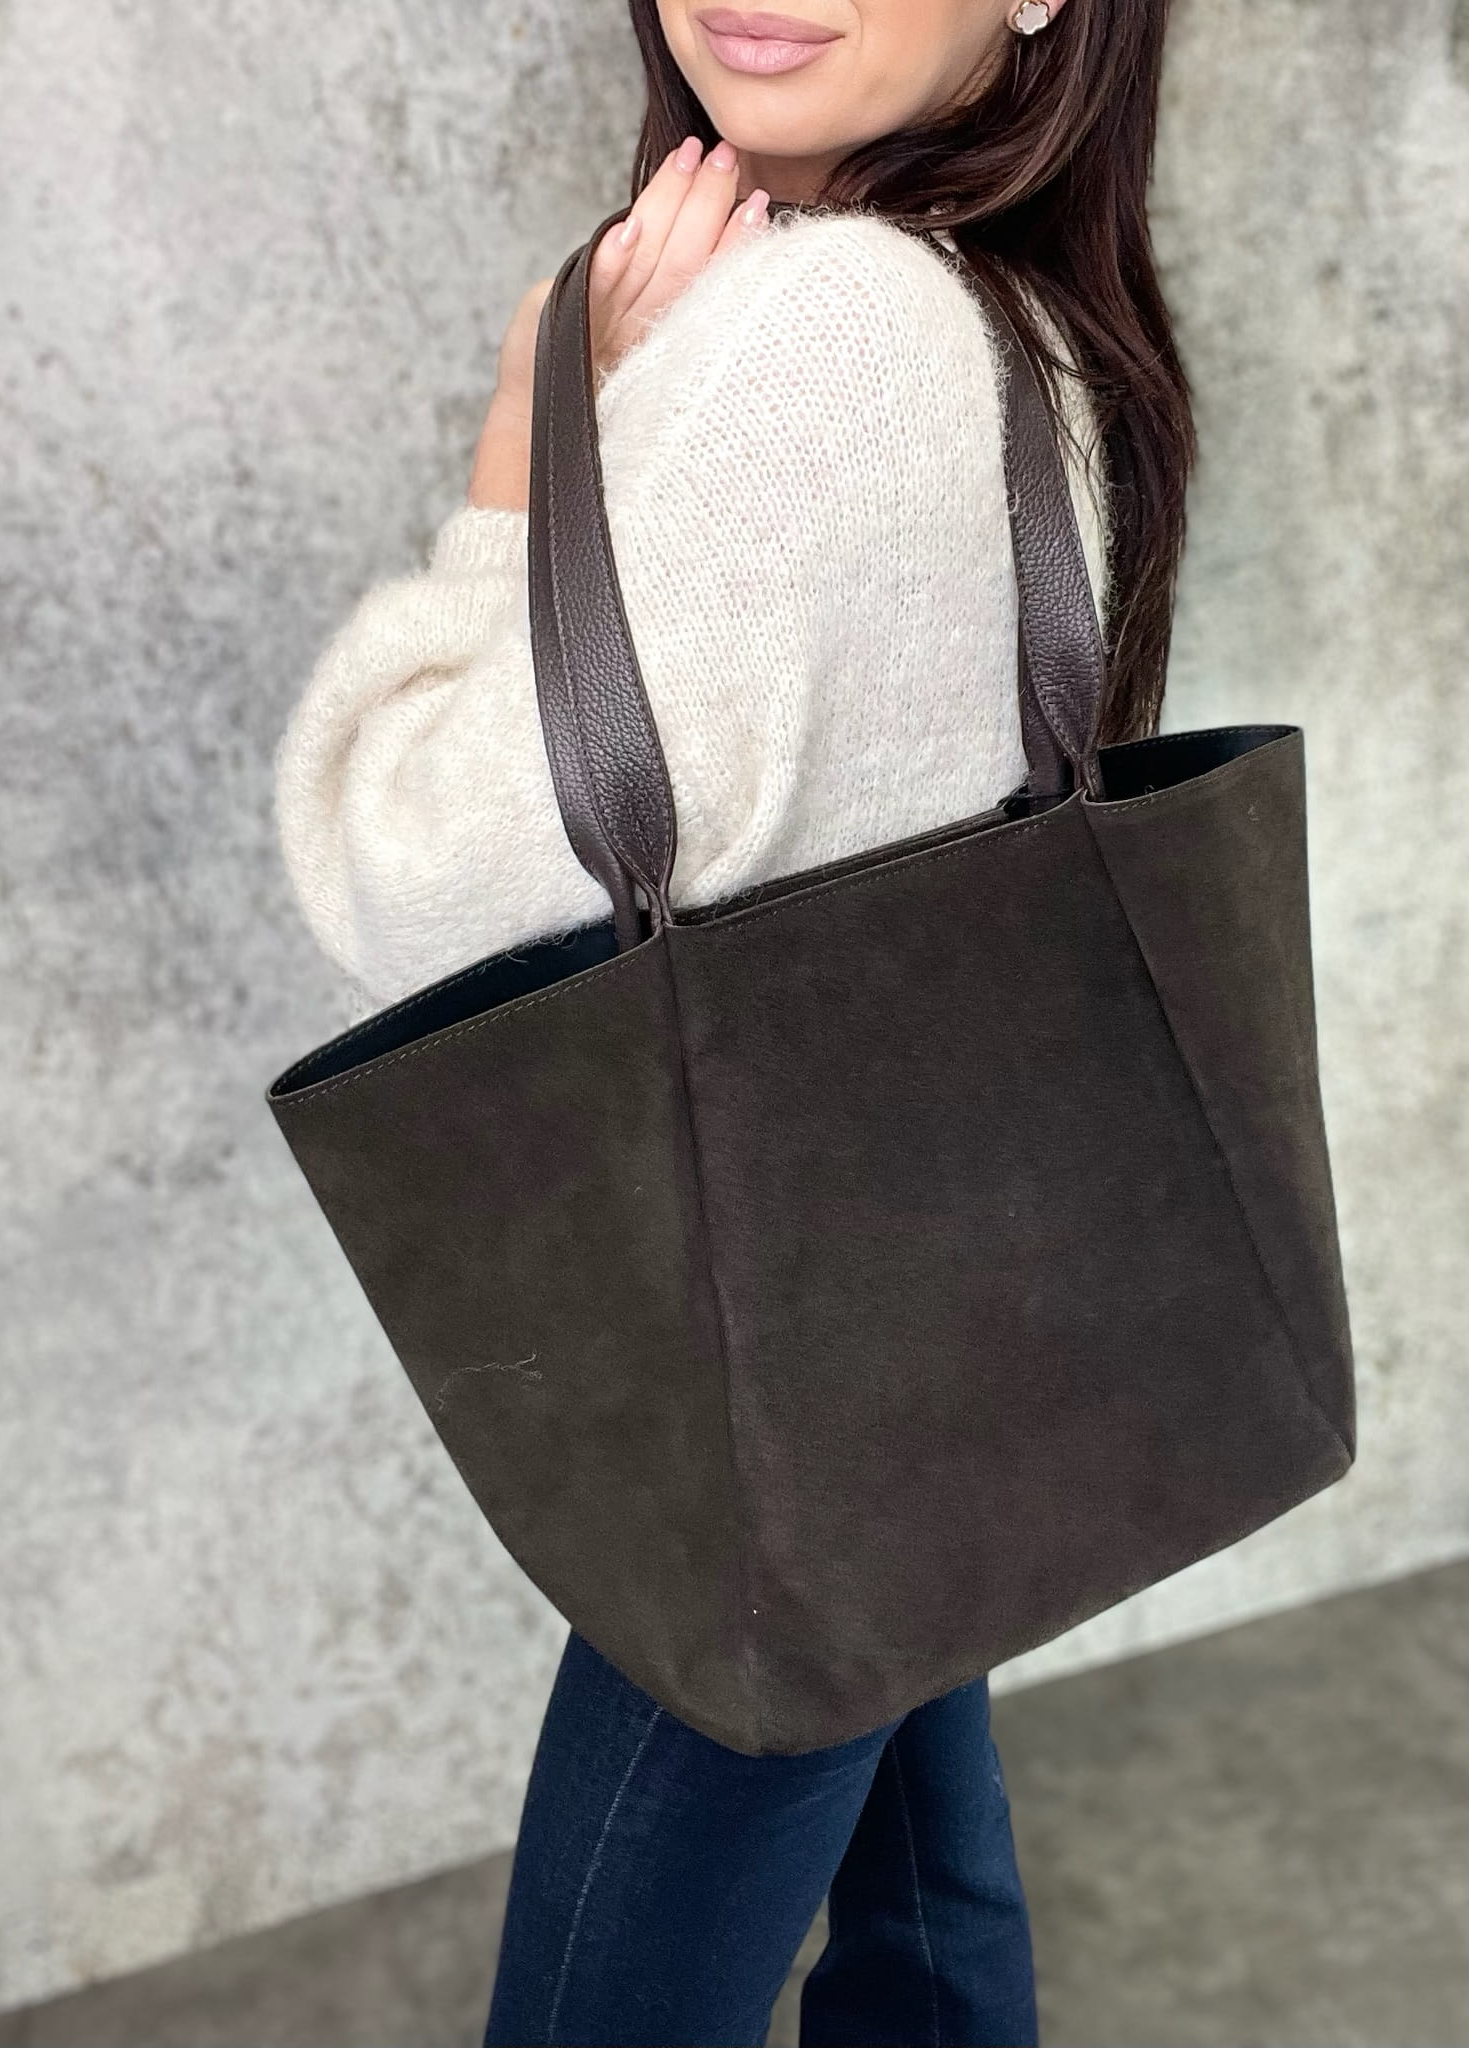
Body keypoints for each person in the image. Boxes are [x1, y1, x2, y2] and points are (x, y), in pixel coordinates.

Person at [274, 1, 1194, 2040]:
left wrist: (524, 454)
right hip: (919, 1324)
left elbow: (406, 872)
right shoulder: (1017, 314)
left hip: (772, 1389)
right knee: (931, 1920)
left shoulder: (829, 333)